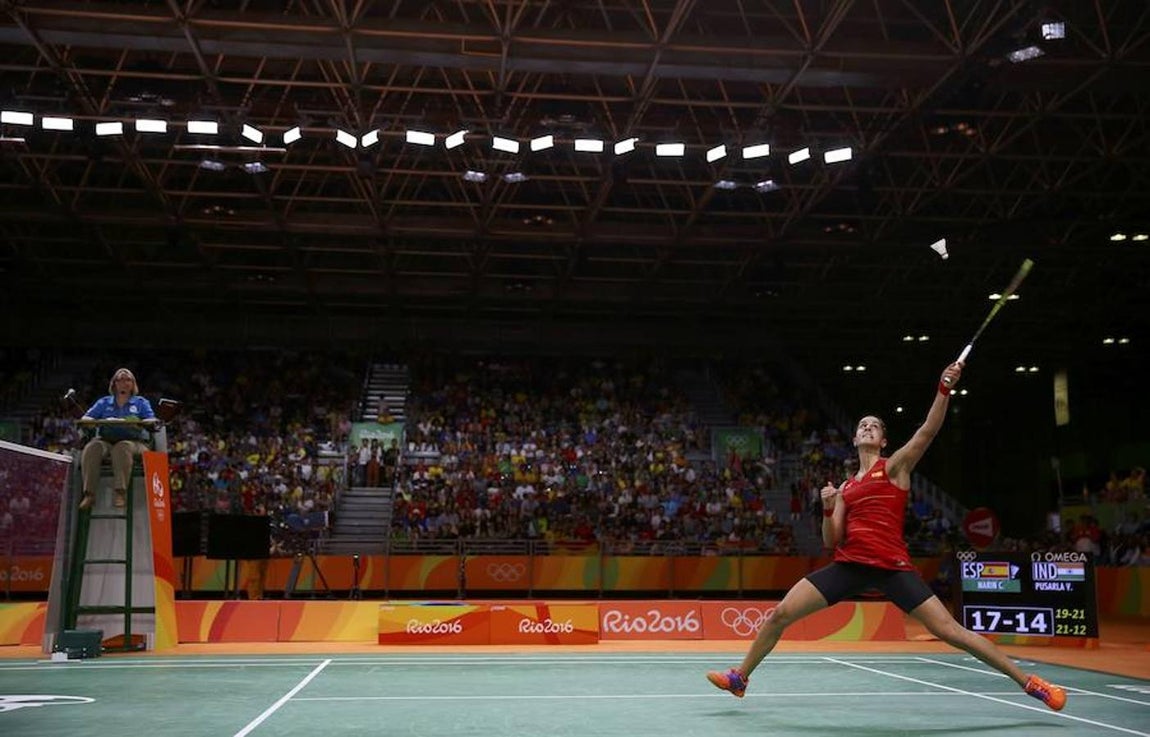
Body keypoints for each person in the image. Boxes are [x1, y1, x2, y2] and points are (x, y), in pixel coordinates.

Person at [706, 361, 1067, 712]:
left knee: (951, 631)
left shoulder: (894, 467)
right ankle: (740, 678)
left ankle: (1030, 683)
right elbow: (832, 541)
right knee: (781, 613)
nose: (866, 428)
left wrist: (944, 388)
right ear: (854, 438)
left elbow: (928, 431)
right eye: (862, 425)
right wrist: (829, 507)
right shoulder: (847, 486)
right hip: (850, 565)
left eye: (873, 426)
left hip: (892, 567)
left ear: (882, 441)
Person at [78, 368, 157, 510]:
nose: (124, 382)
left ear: (133, 384)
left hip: (135, 442)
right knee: (92, 447)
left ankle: (120, 492)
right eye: (120, 379)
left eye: (128, 379)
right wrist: (91, 421)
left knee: (122, 447)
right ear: (114, 384)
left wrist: (141, 422)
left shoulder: (140, 402)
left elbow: (151, 420)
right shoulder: (104, 402)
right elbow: (87, 417)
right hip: (106, 439)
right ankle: (89, 494)